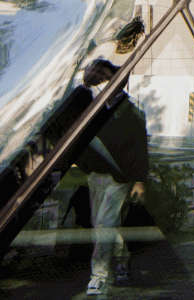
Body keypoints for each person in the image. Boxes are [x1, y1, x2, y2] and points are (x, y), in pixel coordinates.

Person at [76, 59, 149, 295]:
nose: (103, 81)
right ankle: (123, 258)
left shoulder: (133, 112)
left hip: (119, 178)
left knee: (104, 224)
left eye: (107, 76)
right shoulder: (93, 107)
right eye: (100, 77)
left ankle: (99, 277)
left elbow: (140, 148)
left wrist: (139, 180)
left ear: (121, 81)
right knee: (104, 225)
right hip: (95, 174)